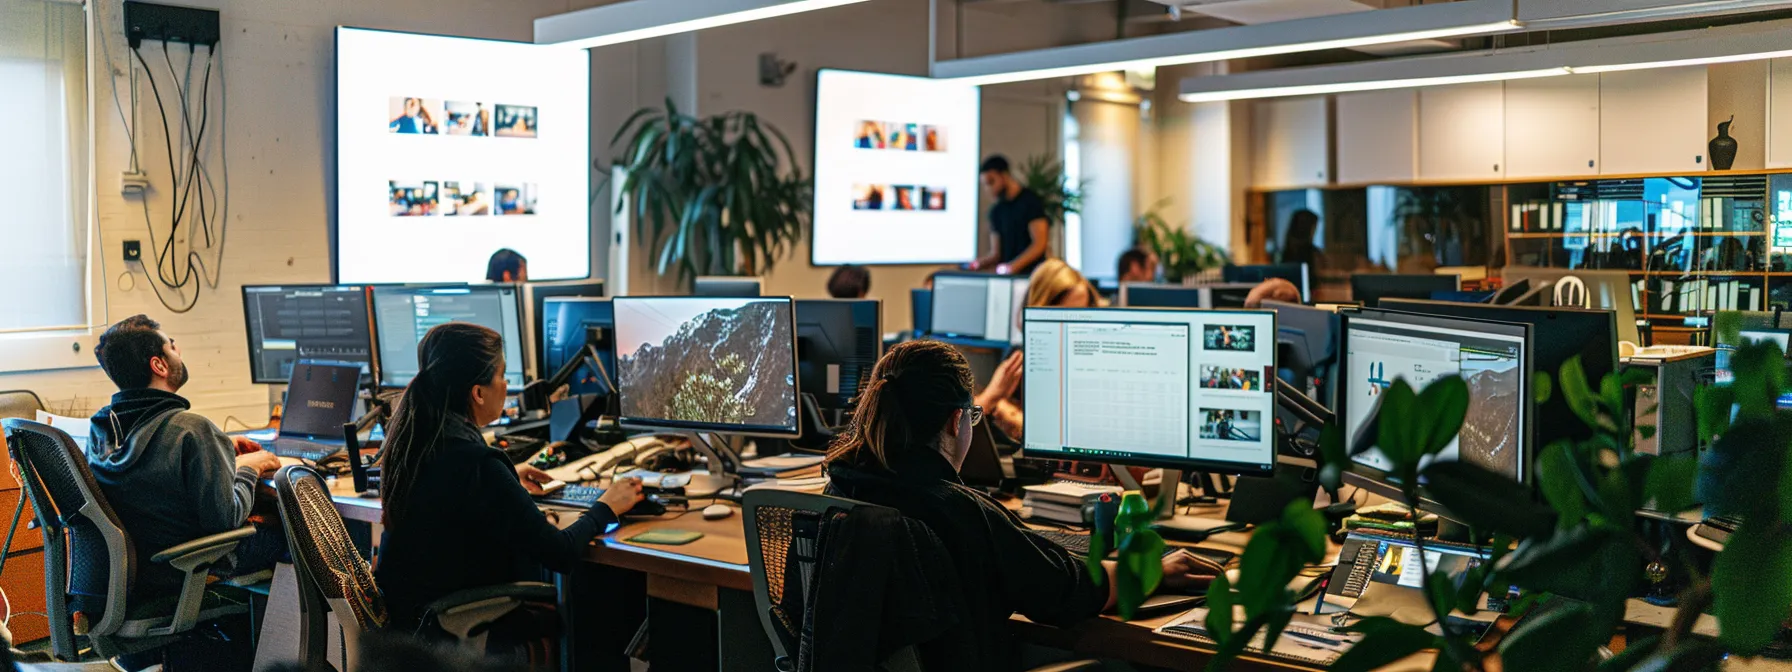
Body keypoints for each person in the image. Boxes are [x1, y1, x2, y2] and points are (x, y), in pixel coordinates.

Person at [825, 341, 1219, 670]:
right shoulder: (957, 509)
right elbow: (1071, 592)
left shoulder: (841, 487)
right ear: (955, 421)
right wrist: (1153, 568)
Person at [374, 322, 645, 634]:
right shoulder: (477, 464)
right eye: (502, 376)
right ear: (477, 393)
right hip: (454, 632)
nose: (506, 386)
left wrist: (507, 476)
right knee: (597, 608)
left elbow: (449, 491)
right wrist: (607, 506)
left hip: (408, 630)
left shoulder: (417, 442)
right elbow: (559, 553)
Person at [86, 315, 286, 606]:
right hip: (192, 565)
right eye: (172, 346)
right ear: (159, 365)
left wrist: (221, 448)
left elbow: (149, 465)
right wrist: (250, 468)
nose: (178, 351)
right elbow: (226, 519)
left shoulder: (103, 428)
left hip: (143, 572)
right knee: (297, 533)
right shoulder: (191, 429)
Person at [969, 155, 1049, 276]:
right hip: (1008, 279)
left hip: (1033, 277)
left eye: (991, 182)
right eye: (985, 184)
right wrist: (977, 264)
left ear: (1004, 175)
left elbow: (1039, 244)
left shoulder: (1031, 202)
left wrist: (1013, 267)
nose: (988, 189)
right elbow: (996, 254)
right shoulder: (996, 211)